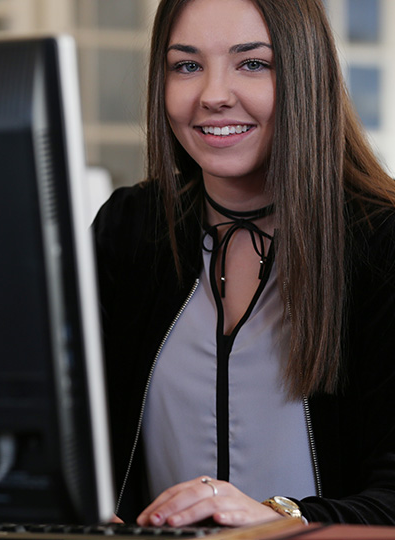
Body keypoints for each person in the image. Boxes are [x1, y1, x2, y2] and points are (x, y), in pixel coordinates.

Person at [92, 0, 395, 528]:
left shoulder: (383, 243)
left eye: (252, 63)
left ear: (306, 75)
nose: (212, 95)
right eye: (187, 65)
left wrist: (278, 517)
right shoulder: (130, 228)